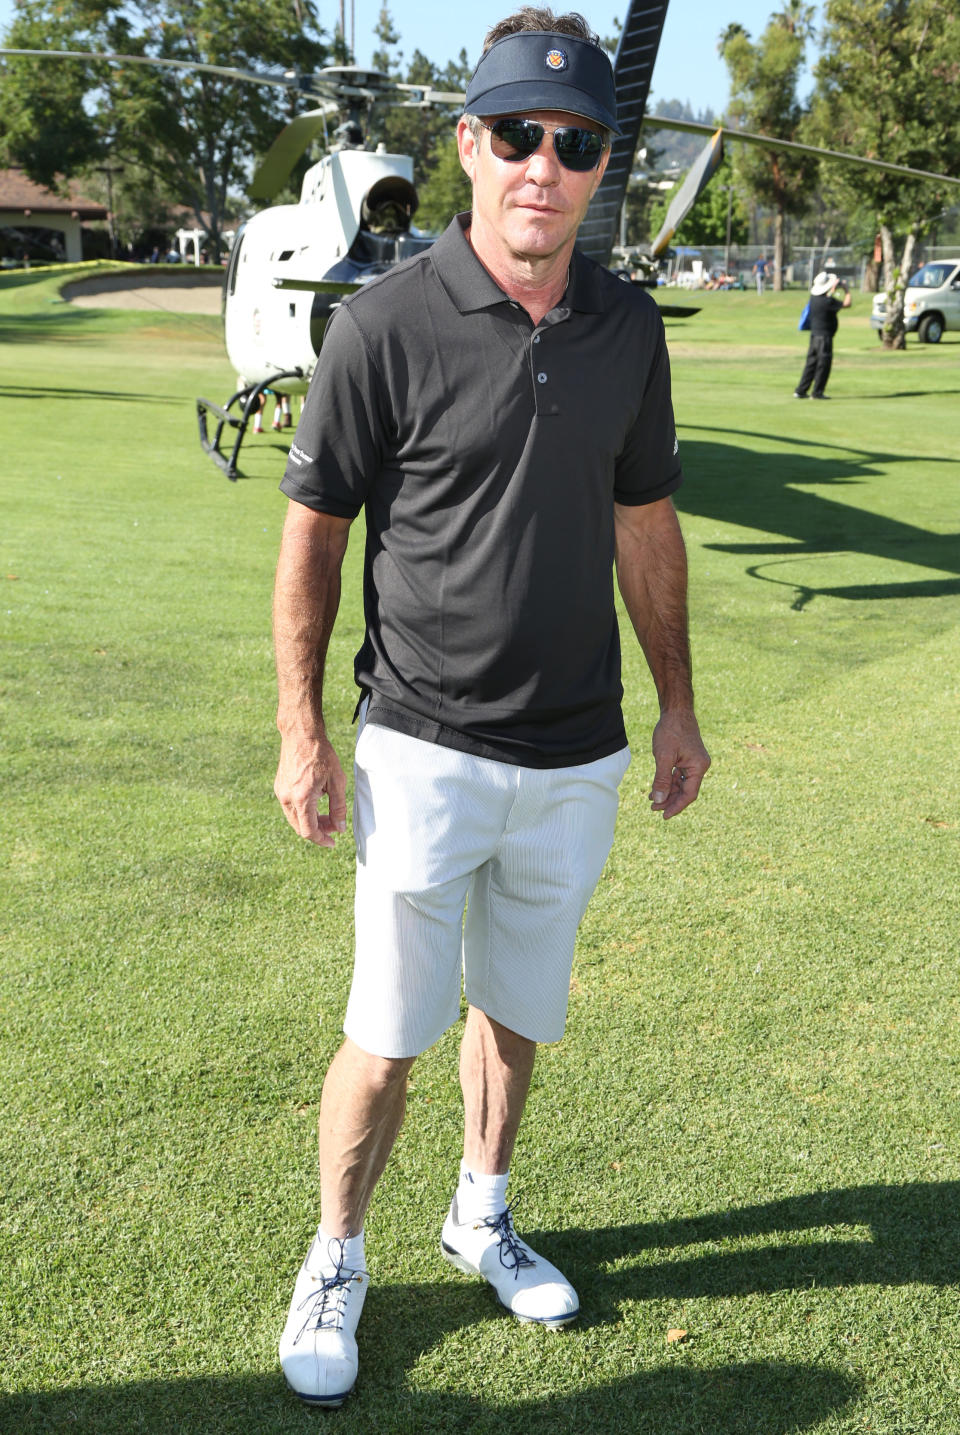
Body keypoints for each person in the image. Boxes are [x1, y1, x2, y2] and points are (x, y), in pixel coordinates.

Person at [271, 6, 710, 1409]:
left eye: (573, 144)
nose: (543, 165)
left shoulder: (626, 325)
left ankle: (481, 1207)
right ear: (469, 144)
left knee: (513, 1014)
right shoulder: (382, 322)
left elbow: (648, 523)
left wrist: (679, 708)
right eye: (516, 133)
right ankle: (338, 1251)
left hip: (576, 752)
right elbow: (315, 538)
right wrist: (301, 728)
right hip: (420, 748)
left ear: (597, 165)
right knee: (389, 1030)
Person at [794, 270, 852, 399]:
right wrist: (846, 290)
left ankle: (801, 390)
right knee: (823, 365)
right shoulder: (828, 302)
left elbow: (826, 295)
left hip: (814, 336)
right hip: (824, 337)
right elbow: (847, 303)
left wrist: (832, 288)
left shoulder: (814, 298)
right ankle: (817, 392)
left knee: (811, 364)